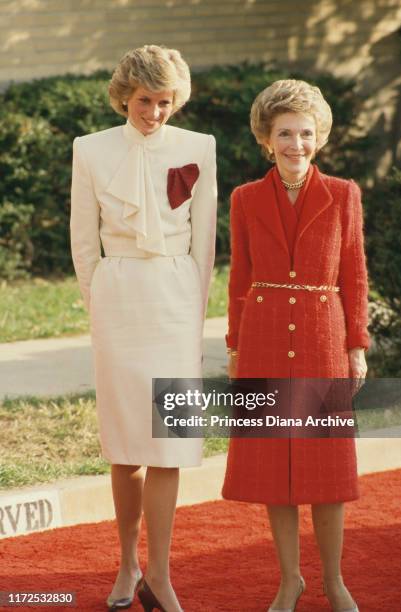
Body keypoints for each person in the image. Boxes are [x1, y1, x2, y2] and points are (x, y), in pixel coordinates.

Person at [70, 45, 217, 611]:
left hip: (176, 301)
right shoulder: (90, 149)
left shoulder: (199, 147)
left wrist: (193, 310)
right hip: (118, 299)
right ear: (123, 96)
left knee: (170, 441)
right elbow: (84, 242)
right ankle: (128, 564)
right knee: (126, 443)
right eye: (143, 101)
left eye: (164, 102)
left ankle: (161, 573)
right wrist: (100, 300)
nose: (154, 112)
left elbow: (204, 241)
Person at [222, 79, 369, 612]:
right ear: (267, 138)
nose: (296, 144)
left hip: (323, 338)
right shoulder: (244, 199)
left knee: (326, 469)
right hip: (262, 340)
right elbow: (240, 277)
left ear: (320, 137)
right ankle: (290, 580)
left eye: (306, 133)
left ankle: (334, 582)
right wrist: (235, 346)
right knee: (274, 470)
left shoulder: (344, 194)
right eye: (285, 133)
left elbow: (354, 272)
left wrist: (357, 345)